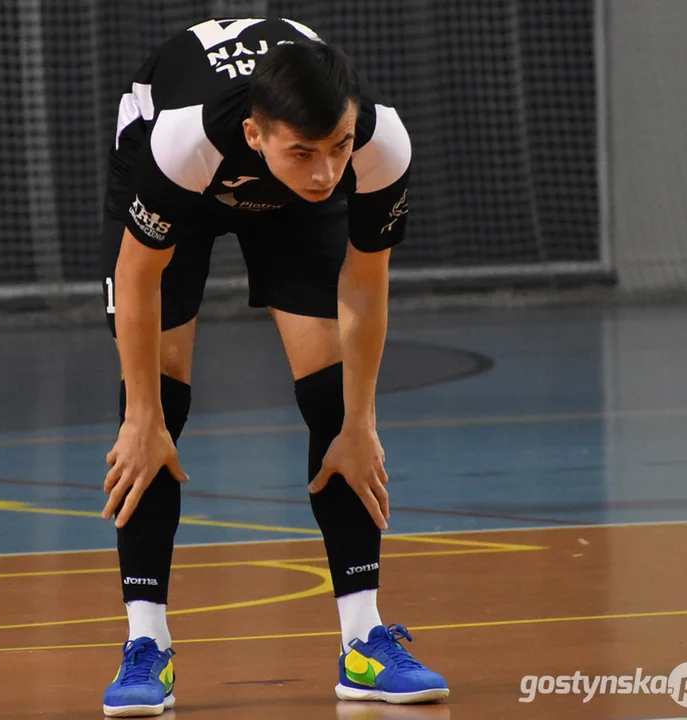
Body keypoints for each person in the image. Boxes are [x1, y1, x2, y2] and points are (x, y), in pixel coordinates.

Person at [98, 17, 448, 717]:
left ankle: (363, 641)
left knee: (333, 400)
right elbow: (137, 280)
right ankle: (147, 645)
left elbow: (364, 285)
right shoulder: (182, 141)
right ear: (258, 135)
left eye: (339, 146)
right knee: (156, 408)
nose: (327, 171)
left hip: (282, 208)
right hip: (189, 191)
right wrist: (142, 415)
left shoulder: (375, 147)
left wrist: (360, 421)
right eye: (306, 152)